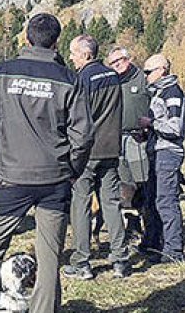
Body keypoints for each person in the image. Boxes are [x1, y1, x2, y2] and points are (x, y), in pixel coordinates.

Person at [0, 13, 93, 313]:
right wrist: (72, 170)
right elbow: (84, 134)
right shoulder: (68, 79)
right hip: (55, 180)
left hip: (12, 177)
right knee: (50, 257)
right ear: (56, 42)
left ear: (26, 38)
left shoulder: (3, 73)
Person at [64, 34, 130, 280]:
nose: (71, 57)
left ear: (85, 54)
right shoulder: (113, 75)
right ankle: (120, 260)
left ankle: (82, 261)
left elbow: (78, 118)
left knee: (80, 205)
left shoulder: (82, 79)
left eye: (73, 53)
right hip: (111, 149)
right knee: (111, 203)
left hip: (87, 153)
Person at [139, 53, 185, 264]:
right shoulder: (159, 92)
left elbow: (175, 127)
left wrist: (151, 124)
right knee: (151, 200)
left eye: (148, 72)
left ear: (162, 70)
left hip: (168, 153)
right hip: (156, 151)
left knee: (166, 202)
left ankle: (173, 251)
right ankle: (152, 243)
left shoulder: (172, 93)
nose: (146, 76)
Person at [106, 46, 151, 237]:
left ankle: (150, 223)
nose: (116, 66)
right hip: (118, 138)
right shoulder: (112, 82)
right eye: (112, 63)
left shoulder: (143, 79)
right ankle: (131, 225)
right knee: (124, 183)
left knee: (143, 180)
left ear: (128, 59)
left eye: (119, 61)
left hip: (138, 138)